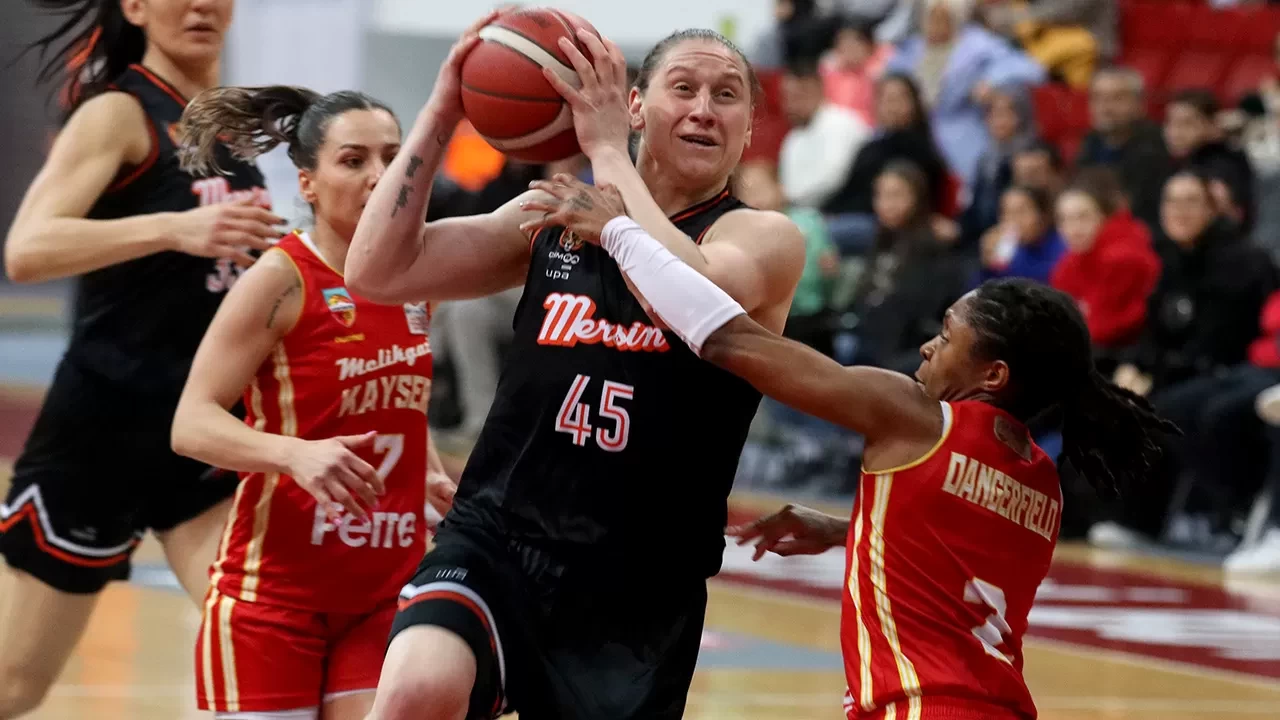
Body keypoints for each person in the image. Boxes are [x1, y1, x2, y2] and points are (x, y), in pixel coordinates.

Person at [524, 174, 1177, 720]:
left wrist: (619, 231)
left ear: (992, 375)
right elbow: (949, 554)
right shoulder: (1041, 481)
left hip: (917, 706)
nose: (928, 346)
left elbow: (729, 339)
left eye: (948, 336)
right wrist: (853, 530)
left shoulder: (914, 417)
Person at [344, 11, 806, 720]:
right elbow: (377, 271)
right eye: (683, 88)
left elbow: (693, 293)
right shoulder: (554, 214)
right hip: (499, 535)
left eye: (727, 95)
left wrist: (610, 157)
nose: (704, 109)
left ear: (748, 130)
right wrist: (441, 112)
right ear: (636, 105)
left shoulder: (763, 237)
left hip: (640, 581)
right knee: (416, 690)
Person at [0, 2, 279, 716]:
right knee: (15, 685)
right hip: (102, 433)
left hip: (197, 434)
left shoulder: (226, 124)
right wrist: (175, 228)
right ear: (135, 7)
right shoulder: (118, 113)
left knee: (260, 643)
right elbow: (27, 249)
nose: (199, 5)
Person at [167, 85, 456, 720]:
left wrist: (428, 472)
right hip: (274, 599)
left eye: (393, 157)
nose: (380, 175)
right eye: (354, 160)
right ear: (308, 184)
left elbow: (396, 403)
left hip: (385, 588)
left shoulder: (418, 276)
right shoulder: (281, 278)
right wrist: (295, 455)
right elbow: (190, 423)